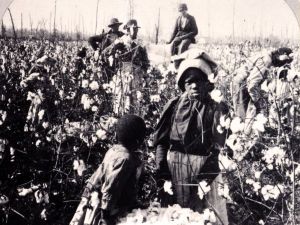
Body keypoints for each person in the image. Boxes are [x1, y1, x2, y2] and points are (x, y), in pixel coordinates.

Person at [153, 49, 229, 225]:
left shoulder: (217, 108)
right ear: (183, 84)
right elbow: (161, 143)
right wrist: (163, 175)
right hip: (176, 171)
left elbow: (219, 152)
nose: (194, 86)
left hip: (206, 171)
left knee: (206, 216)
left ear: (207, 83)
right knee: (177, 215)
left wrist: (202, 184)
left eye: (199, 80)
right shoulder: (174, 106)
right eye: (189, 81)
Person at [70, 115, 147, 225]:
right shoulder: (125, 159)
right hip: (103, 206)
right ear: (136, 140)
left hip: (94, 198)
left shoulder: (114, 151)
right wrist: (105, 214)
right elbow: (111, 186)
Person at [231, 47, 294, 135]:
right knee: (241, 119)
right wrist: (259, 102)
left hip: (243, 86)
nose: (279, 66)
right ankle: (241, 143)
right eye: (282, 62)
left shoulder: (267, 55)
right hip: (241, 87)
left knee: (248, 118)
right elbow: (252, 85)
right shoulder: (267, 60)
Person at [102, 19, 149, 115]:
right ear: (128, 30)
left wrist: (144, 72)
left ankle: (135, 116)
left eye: (136, 30)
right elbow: (105, 52)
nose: (135, 32)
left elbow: (145, 61)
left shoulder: (140, 43)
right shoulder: (121, 40)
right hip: (124, 73)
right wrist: (115, 52)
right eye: (133, 30)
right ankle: (122, 116)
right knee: (123, 95)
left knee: (135, 96)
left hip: (136, 74)